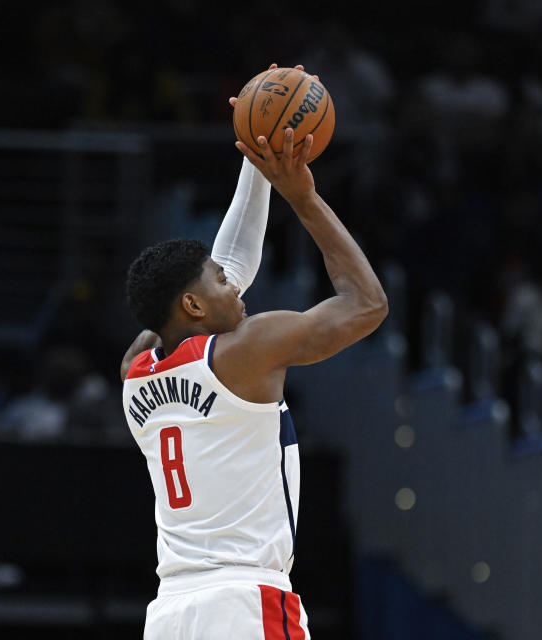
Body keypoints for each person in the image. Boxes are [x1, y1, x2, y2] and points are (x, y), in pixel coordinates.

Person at [120, 72, 388, 639]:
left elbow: (227, 268)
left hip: (170, 612)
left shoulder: (135, 370)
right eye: (221, 283)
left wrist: (258, 155)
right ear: (193, 303)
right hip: (244, 603)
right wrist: (302, 195)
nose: (235, 287)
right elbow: (366, 303)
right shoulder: (247, 352)